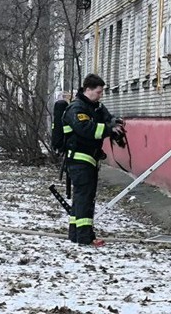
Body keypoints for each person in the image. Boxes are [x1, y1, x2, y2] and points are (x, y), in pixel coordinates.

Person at [62, 74, 123, 246]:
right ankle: (84, 237)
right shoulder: (77, 108)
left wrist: (114, 122)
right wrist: (108, 130)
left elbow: (106, 118)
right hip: (79, 160)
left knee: (82, 198)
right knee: (84, 199)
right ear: (87, 90)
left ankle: (75, 235)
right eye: (98, 92)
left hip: (89, 159)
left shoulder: (95, 107)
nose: (100, 95)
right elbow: (86, 129)